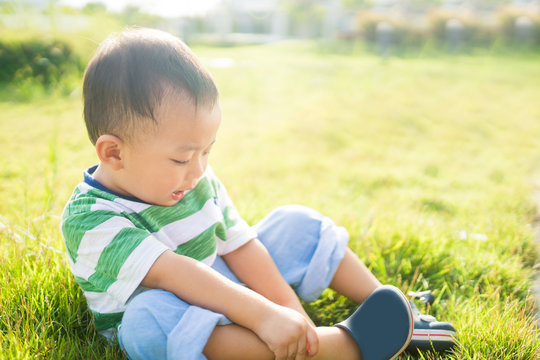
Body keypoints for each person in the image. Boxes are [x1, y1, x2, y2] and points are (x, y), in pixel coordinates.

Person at [61, 27, 455, 360]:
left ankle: (397, 311)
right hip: (180, 313)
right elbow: (176, 274)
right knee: (146, 321)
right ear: (114, 152)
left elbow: (239, 244)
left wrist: (288, 311)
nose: (199, 170)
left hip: (226, 287)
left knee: (294, 222)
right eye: (182, 158)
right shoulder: (90, 218)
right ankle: (340, 347)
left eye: (207, 151)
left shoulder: (194, 179)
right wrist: (261, 315)